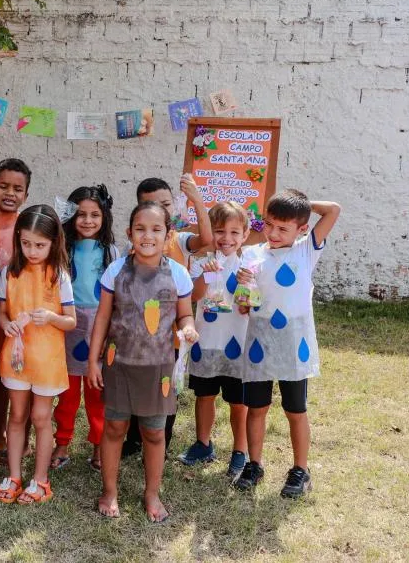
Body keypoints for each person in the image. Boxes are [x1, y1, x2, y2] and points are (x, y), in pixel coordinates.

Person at [87, 201, 199, 522]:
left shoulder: (178, 274)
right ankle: (110, 490)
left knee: (153, 431)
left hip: (158, 368)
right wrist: (94, 361)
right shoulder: (115, 271)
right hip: (118, 363)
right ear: (129, 233)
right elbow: (103, 318)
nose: (147, 235)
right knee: (115, 428)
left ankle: (151, 493)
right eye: (140, 229)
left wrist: (188, 328)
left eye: (156, 229)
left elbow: (185, 314)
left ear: (168, 236)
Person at [233, 190, 340, 498]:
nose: (274, 233)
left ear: (302, 229)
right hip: (259, 341)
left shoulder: (307, 250)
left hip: (294, 342)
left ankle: (300, 470)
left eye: (283, 228)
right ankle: (254, 464)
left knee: (295, 409)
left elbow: (333, 209)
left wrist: (302, 204)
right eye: (269, 225)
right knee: (257, 407)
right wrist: (244, 287)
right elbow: (244, 306)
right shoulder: (253, 255)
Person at [122, 174, 213, 455]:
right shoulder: (134, 248)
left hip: (171, 334)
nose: (158, 209)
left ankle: (162, 439)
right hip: (140, 336)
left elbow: (207, 239)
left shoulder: (180, 239)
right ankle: (136, 439)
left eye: (165, 203)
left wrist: (197, 200)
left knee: (166, 388)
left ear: (173, 205)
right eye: (149, 205)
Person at [0, 205, 76, 505]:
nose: (32, 250)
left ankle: (40, 479)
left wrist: (51, 318)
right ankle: (14, 475)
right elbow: (2, 314)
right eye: (26, 243)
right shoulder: (10, 272)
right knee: (16, 415)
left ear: (54, 242)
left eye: (39, 245)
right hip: (16, 357)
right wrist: (8, 325)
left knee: (41, 417)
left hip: (47, 360)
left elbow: (71, 320)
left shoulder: (59, 275)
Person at [179, 202, 252, 478]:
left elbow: (248, 307)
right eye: (220, 231)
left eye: (235, 232)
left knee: (239, 402)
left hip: (238, 344)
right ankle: (203, 443)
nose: (227, 239)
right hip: (206, 342)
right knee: (204, 395)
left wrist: (248, 285)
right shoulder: (200, 263)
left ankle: (240, 451)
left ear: (245, 235)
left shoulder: (249, 266)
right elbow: (194, 297)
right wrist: (208, 275)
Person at [51, 185, 119, 472]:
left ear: (104, 217)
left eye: (94, 215)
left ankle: (99, 445)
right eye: (80, 215)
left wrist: (109, 335)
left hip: (99, 326)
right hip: (68, 324)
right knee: (66, 392)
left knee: (97, 393)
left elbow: (117, 297)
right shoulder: (60, 249)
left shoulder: (112, 253)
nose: (88, 221)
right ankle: (62, 442)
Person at [0, 158, 31, 457]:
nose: (10, 193)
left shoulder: (28, 227)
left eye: (17, 188)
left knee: (22, 375)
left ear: (25, 195)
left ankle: (23, 439)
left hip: (21, 315)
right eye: (3, 186)